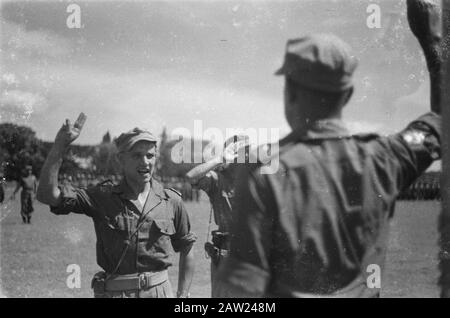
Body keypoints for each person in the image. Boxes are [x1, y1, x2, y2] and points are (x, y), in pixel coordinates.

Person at [216, 1, 443, 298]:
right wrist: (432, 42)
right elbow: (442, 120)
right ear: (347, 95)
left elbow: (240, 292)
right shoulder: (385, 158)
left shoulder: (264, 172)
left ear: (290, 93)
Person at [37, 122, 196, 298]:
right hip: (115, 293)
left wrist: (182, 295)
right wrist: (60, 146)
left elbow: (187, 246)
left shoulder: (171, 201)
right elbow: (47, 195)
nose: (145, 162)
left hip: (159, 292)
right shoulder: (102, 196)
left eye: (150, 155)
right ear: (121, 159)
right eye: (136, 155)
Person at [185, 135, 250, 297]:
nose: (246, 156)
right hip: (225, 251)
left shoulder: (256, 178)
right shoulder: (217, 179)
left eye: (248, 152)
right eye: (241, 152)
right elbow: (191, 177)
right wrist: (219, 159)